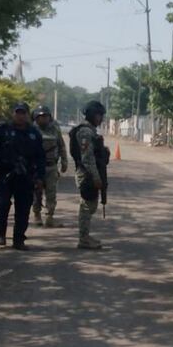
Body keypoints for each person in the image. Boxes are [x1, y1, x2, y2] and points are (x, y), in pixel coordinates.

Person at [0, 103, 46, 250]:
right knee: (2, 205)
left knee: (23, 209)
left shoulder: (34, 133)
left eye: (23, 113)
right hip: (4, 175)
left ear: (27, 115)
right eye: (18, 113)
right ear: (13, 114)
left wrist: (40, 177)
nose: (20, 116)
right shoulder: (2, 130)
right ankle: (0, 232)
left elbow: (40, 157)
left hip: (25, 176)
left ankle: (19, 240)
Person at [70, 101, 109, 250]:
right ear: (92, 115)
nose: (101, 118)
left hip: (90, 173)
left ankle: (85, 236)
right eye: (99, 115)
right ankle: (83, 239)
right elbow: (87, 158)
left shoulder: (91, 131)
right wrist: (96, 177)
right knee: (87, 206)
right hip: (87, 174)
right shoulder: (86, 132)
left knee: (90, 206)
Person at [31, 105, 69, 228]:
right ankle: (37, 214)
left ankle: (49, 216)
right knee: (37, 192)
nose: (43, 119)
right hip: (36, 168)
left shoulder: (55, 129)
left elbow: (61, 145)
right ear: (36, 117)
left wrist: (64, 161)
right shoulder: (32, 130)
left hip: (51, 166)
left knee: (51, 193)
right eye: (40, 116)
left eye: (45, 116)